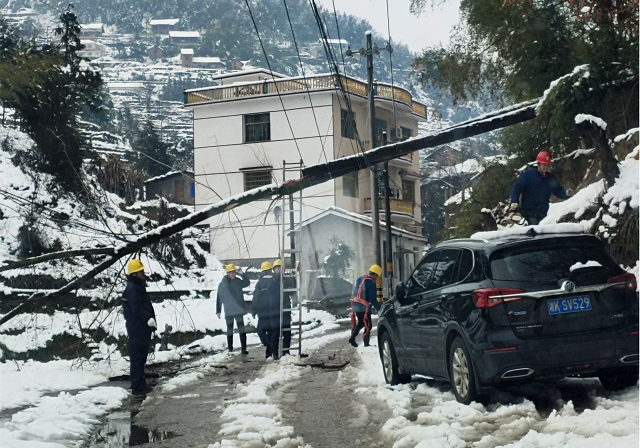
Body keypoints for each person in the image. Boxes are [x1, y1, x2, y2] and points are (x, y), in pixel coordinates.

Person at [122, 259, 156, 395]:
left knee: (140, 357)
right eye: (140, 271)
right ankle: (138, 386)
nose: (143, 273)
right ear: (134, 274)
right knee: (137, 357)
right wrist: (148, 318)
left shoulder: (136, 286)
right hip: (137, 328)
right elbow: (137, 307)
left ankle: (139, 384)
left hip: (140, 327)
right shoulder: (133, 288)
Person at [510, 151, 570, 225]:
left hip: (543, 213)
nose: (546, 167)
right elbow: (516, 188)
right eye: (544, 165)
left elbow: (558, 190)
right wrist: (514, 202)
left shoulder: (550, 178)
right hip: (529, 213)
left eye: (547, 165)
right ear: (538, 164)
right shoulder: (528, 176)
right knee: (536, 231)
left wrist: (567, 194)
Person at [216, 264, 250, 354]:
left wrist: (242, 274)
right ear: (228, 273)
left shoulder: (238, 281)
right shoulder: (222, 284)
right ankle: (230, 348)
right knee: (230, 330)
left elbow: (247, 283)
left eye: (234, 272)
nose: (234, 274)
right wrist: (218, 310)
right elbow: (219, 297)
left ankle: (244, 348)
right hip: (229, 310)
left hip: (238, 310)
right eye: (232, 272)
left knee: (241, 329)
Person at [349, 264, 383, 347]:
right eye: (377, 276)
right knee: (368, 325)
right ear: (375, 274)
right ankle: (366, 344)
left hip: (356, 305)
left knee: (361, 323)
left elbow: (355, 292)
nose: (377, 278)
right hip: (364, 307)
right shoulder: (371, 283)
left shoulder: (360, 279)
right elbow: (373, 299)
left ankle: (352, 338)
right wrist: (380, 309)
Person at [269, 259, 292, 357]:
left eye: (280, 268)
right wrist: (278, 279)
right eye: (277, 268)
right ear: (274, 270)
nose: (279, 270)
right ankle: (275, 353)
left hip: (285, 308)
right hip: (275, 309)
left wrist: (286, 282)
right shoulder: (271, 280)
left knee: (287, 332)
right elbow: (270, 289)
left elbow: (292, 291)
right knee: (275, 333)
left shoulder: (287, 279)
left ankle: (286, 351)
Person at [252, 261, 275, 358]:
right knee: (270, 331)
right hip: (273, 310)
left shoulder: (259, 283)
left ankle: (267, 344)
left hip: (262, 311)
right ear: (270, 270)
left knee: (260, 330)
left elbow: (256, 297)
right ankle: (268, 354)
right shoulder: (274, 281)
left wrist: (254, 310)